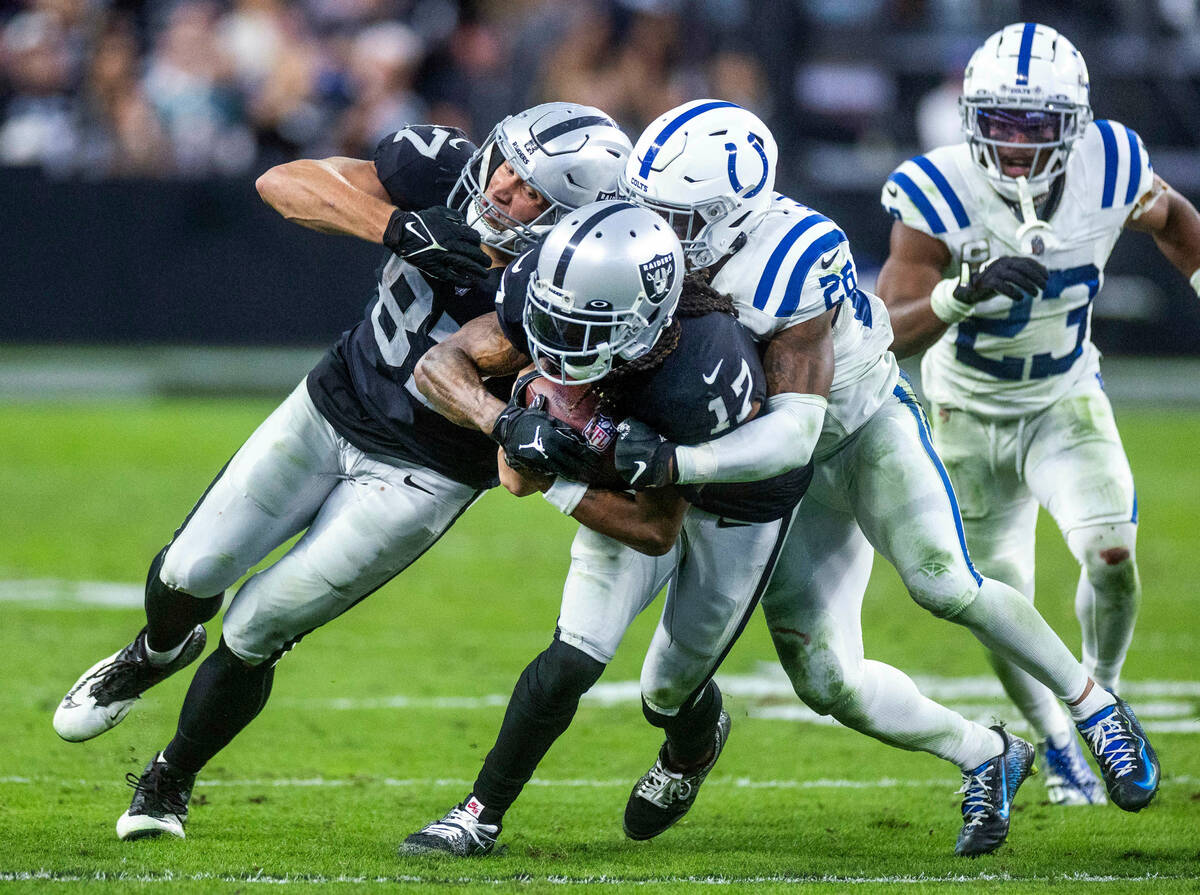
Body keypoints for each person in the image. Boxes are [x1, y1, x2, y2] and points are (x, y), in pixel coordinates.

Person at [51, 102, 632, 841]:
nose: (503, 188)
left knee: (261, 624)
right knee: (189, 571)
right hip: (332, 403)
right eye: (508, 164)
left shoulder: (580, 276)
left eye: (531, 192)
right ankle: (156, 649)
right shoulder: (445, 172)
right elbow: (285, 183)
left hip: (424, 473)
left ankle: (171, 776)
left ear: (572, 216)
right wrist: (395, 227)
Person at [612, 99, 1162, 855]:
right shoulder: (666, 248)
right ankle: (986, 753)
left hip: (861, 428)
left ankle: (1096, 709)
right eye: (655, 211)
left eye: (684, 216)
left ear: (736, 210)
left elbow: (796, 419)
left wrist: (680, 460)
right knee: (825, 680)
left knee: (944, 580)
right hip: (781, 474)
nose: (664, 234)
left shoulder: (791, 254)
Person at [398, 200, 811, 856]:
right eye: (553, 319)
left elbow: (655, 529)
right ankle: (479, 814)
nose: (558, 340)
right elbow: (438, 364)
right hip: (622, 473)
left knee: (668, 692)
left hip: (732, 498)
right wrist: (498, 420)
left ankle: (692, 746)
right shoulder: (550, 284)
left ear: (645, 320)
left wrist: (557, 481)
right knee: (570, 657)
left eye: (583, 326)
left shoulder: (699, 367)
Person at [876, 22, 1200, 806]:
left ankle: (1103, 704)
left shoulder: (1112, 165)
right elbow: (886, 327)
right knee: (1001, 598)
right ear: (968, 118)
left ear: (1076, 125)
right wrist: (963, 290)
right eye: (999, 122)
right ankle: (1059, 745)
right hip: (965, 412)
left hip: (1063, 398)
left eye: (1036, 125)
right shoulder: (939, 189)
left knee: (1113, 556)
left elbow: (1178, 224)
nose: (1016, 143)